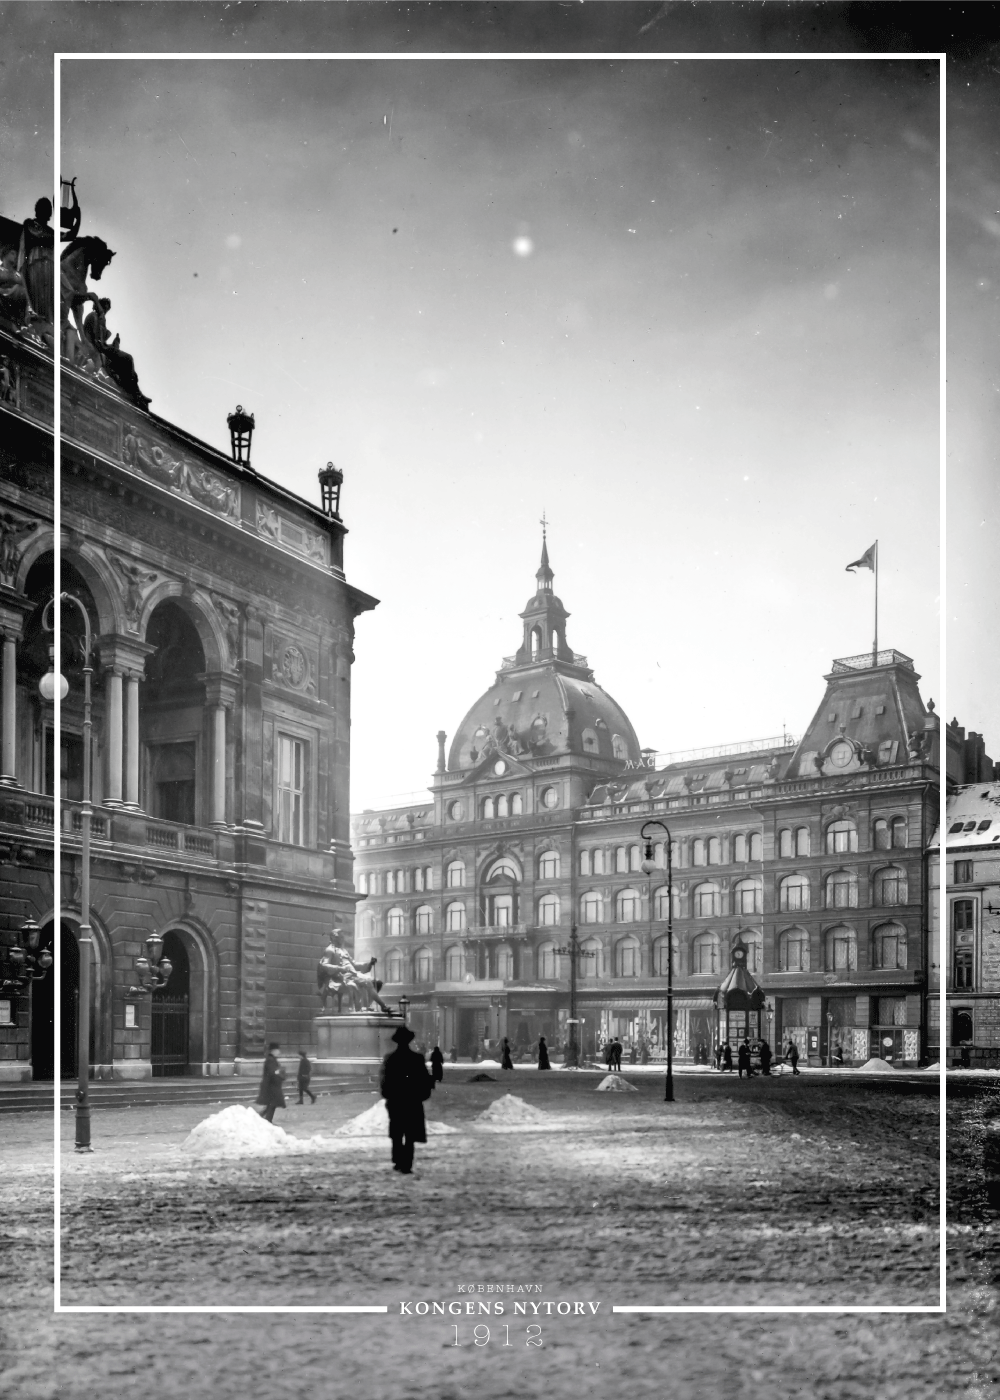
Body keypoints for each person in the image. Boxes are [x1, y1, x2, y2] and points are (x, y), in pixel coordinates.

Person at [380, 1024, 433, 1174]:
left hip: (396, 1100)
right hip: (412, 1101)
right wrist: (422, 1095)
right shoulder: (416, 1058)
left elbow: (385, 1081)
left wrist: (388, 1094)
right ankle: (407, 1163)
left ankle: (397, 1159)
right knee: (410, 1134)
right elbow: (424, 1080)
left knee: (397, 1132)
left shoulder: (390, 1058)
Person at [256, 1043, 286, 1122]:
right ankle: (267, 1121)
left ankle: (263, 1119)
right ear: (273, 1051)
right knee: (272, 1105)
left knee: (271, 1105)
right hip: (271, 1087)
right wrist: (279, 1072)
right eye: (277, 1050)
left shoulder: (272, 1059)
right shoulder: (270, 1060)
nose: (279, 1052)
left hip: (272, 1086)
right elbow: (272, 1072)